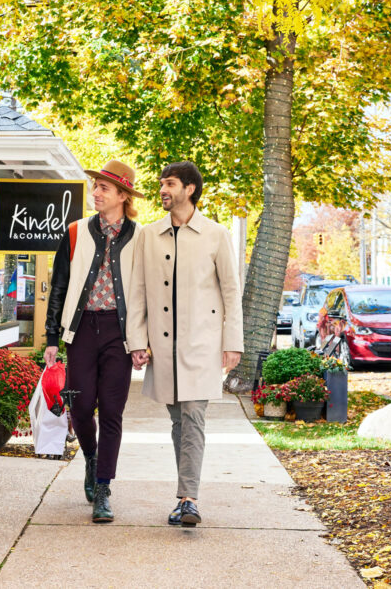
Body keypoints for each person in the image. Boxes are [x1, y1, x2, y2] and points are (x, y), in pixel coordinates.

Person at [126, 161, 243, 527]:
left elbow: (231, 292)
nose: (163, 189)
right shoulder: (149, 234)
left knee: (193, 416)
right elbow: (138, 291)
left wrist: (232, 342)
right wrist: (137, 341)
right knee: (178, 421)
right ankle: (185, 496)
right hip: (163, 347)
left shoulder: (215, 234)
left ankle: (188, 499)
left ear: (189, 189)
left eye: (170, 183)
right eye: (162, 183)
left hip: (202, 344)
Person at [44, 160, 144, 523]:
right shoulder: (74, 232)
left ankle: (103, 488)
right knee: (80, 407)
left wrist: (141, 341)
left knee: (113, 412)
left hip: (120, 334)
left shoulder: (141, 237)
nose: (96, 193)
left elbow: (146, 293)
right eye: (95, 186)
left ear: (123, 195)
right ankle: (90, 457)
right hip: (82, 329)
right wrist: (52, 336)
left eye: (104, 188)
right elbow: (58, 287)